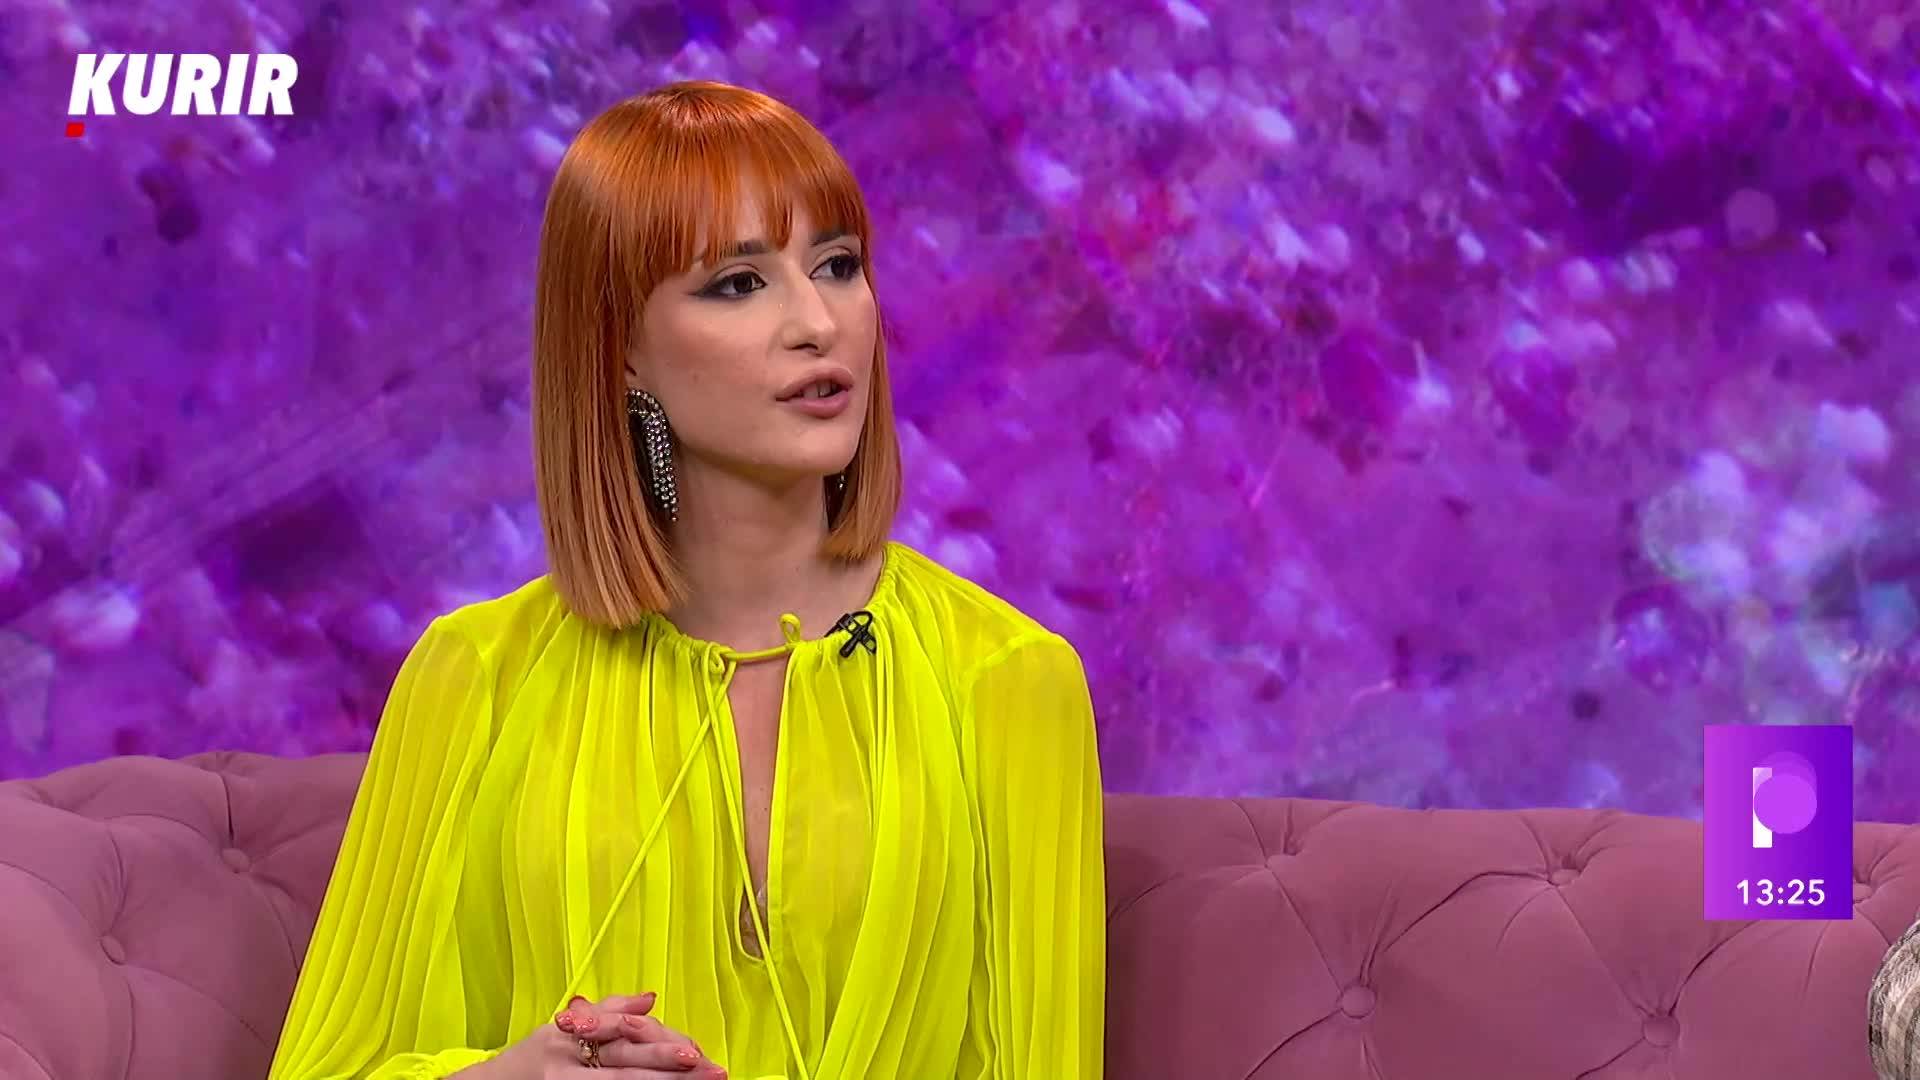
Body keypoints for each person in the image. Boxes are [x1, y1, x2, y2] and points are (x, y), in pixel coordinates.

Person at [263, 80, 1107, 1080]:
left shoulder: (1009, 682)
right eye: (740, 284)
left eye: (837, 266)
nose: (818, 323)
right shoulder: (472, 680)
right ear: (622, 349)